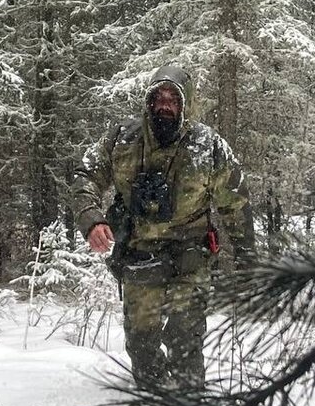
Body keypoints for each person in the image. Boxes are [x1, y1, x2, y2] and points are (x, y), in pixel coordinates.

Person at [69, 63, 254, 387]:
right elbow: (85, 176)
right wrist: (91, 220)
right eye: (159, 97)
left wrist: (248, 261)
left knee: (185, 334)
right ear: (149, 101)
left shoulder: (209, 147)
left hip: (190, 258)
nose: (165, 105)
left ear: (185, 104)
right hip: (139, 255)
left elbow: (236, 203)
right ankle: (153, 405)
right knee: (141, 342)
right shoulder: (122, 139)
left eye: (173, 99)